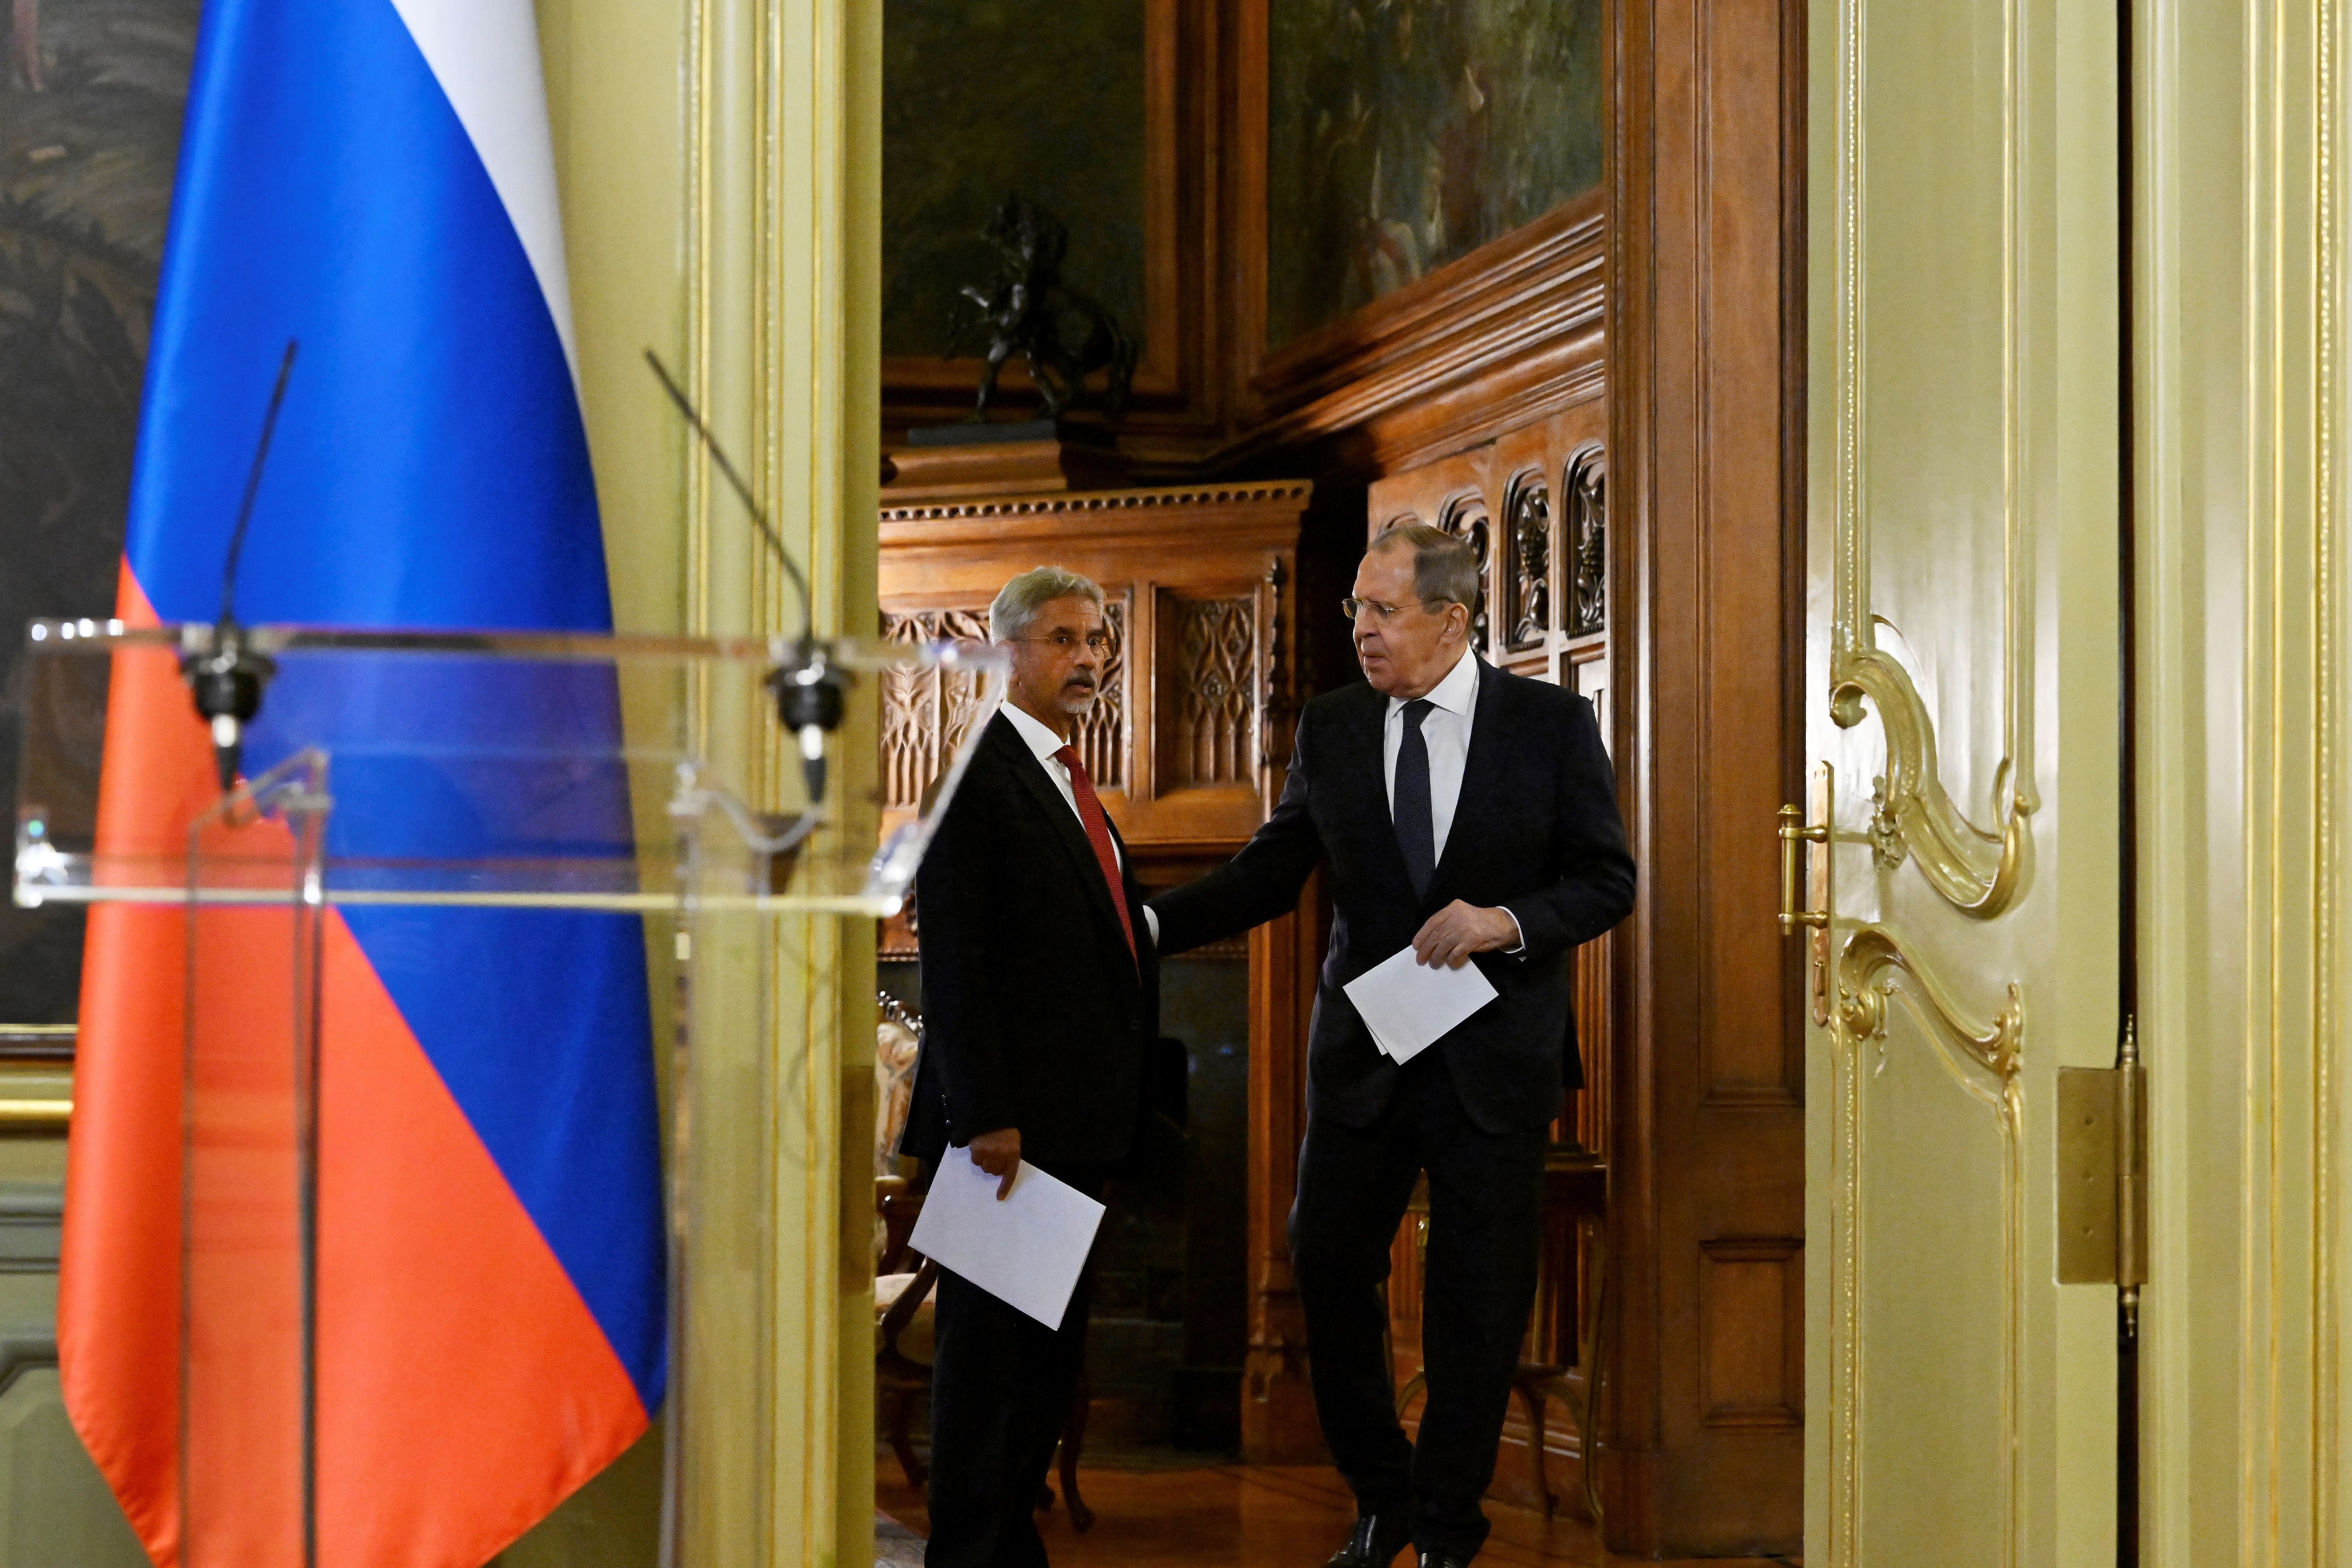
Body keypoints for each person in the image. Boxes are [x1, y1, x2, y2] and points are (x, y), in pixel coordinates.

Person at [1149, 524, 1635, 1568]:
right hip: (1365, 1059)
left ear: (1450, 621)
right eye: (1354, 610)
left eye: (1381, 610)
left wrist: (1501, 921)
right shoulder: (1330, 725)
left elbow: (1606, 881)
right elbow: (1269, 872)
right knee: (1324, 1267)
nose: (1360, 629)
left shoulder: (1547, 725)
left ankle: (1449, 1530)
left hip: (1493, 1064)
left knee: (1477, 1302)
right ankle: (1384, 1499)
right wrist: (1140, 923)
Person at [899, 565, 1159, 1568]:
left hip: (1075, 1128)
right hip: (1008, 1134)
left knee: (1040, 1364)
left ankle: (1007, 1547)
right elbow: (955, 961)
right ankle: (969, 1553)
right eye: (1064, 640)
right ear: (1005, 652)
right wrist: (985, 1115)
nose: (1088, 659)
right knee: (989, 1370)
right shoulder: (977, 773)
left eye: (1096, 641)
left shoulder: (1063, 776)